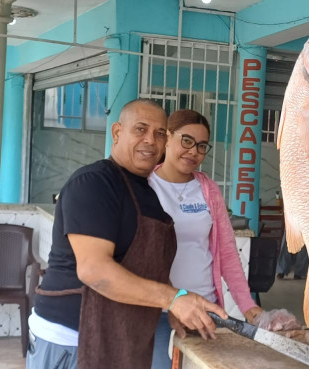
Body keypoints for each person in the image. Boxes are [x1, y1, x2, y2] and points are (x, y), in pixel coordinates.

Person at [27, 100, 227, 369]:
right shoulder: (94, 182)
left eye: (159, 134)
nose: (150, 141)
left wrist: (173, 307)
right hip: (72, 339)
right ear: (117, 132)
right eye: (140, 129)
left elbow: (146, 263)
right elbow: (94, 270)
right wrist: (173, 299)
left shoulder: (147, 194)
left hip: (121, 337)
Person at [148, 109, 263, 369]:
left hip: (204, 309)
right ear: (167, 137)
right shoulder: (145, 186)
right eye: (186, 140)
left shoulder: (208, 189)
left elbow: (228, 253)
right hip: (158, 310)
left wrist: (248, 306)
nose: (193, 152)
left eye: (201, 146)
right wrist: (173, 302)